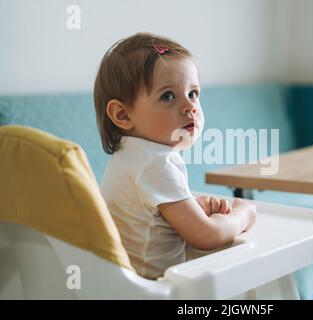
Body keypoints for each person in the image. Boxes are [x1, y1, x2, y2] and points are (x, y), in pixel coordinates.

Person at [93, 32, 256, 279]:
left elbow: (147, 214)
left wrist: (190, 205)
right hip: (158, 291)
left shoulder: (130, 154)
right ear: (123, 115)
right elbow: (206, 236)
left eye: (193, 94)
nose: (190, 106)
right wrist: (242, 215)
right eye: (168, 96)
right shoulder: (155, 163)